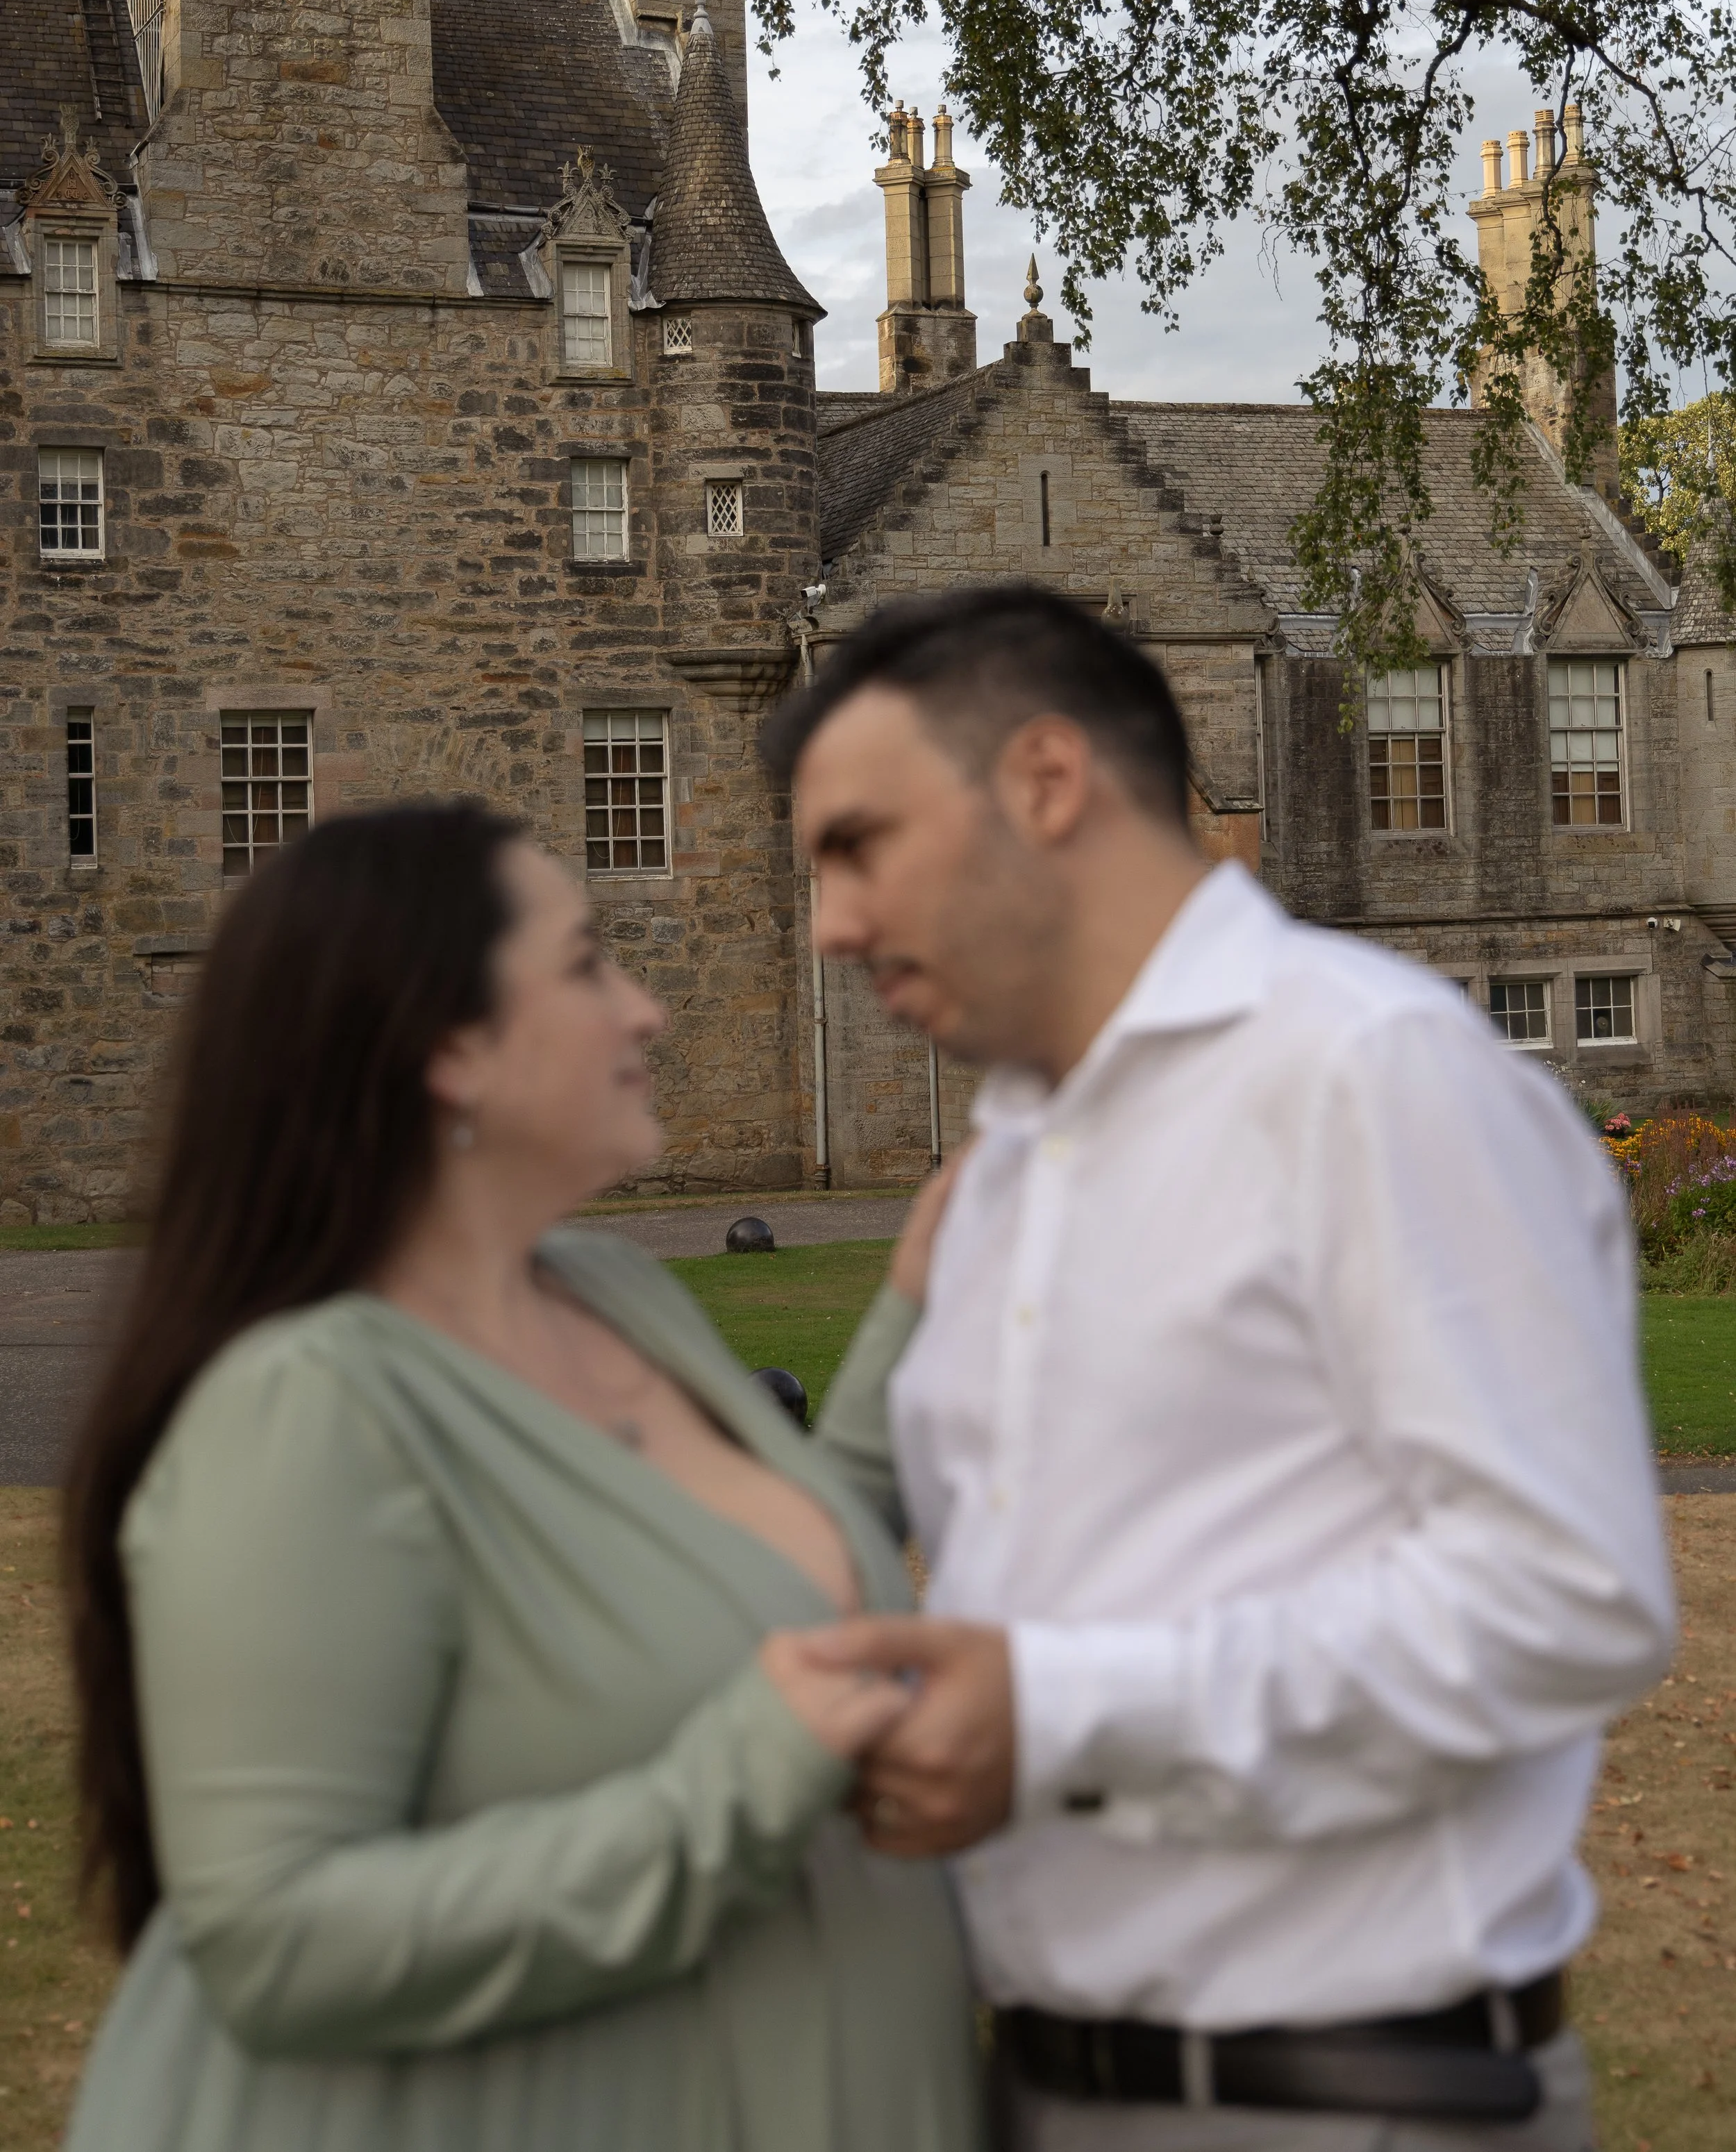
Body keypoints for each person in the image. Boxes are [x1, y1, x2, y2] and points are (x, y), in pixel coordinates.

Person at [762, 584, 1676, 2152]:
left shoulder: (1363, 1070)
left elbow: (1567, 1593)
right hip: (1038, 2082)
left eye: (857, 844)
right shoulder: (1008, 1155)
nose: (830, 922)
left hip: (1339, 2099)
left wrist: (1061, 1712)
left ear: (1046, 783)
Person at [62, 800, 982, 2152]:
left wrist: (917, 1298)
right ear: (449, 1048)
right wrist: (747, 1781)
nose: (647, 1011)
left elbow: (770, 1562)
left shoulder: (606, 1290)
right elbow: (276, 1933)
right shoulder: (307, 1405)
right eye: (587, 964)